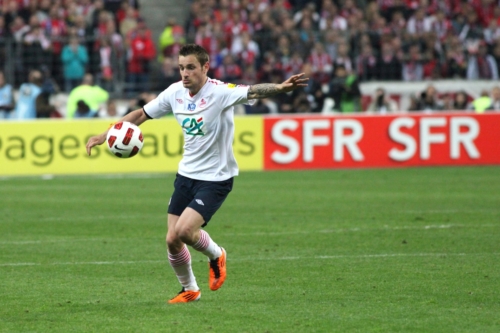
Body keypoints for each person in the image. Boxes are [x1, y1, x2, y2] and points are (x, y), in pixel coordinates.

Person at [85, 44, 307, 304]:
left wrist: (280, 88)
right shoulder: (174, 93)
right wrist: (105, 134)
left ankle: (216, 254)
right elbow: (141, 114)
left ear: (205, 67)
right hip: (186, 175)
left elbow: (254, 90)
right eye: (181, 67)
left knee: (185, 231)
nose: (185, 73)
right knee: (171, 239)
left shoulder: (221, 92)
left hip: (215, 178)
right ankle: (190, 289)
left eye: (190, 67)